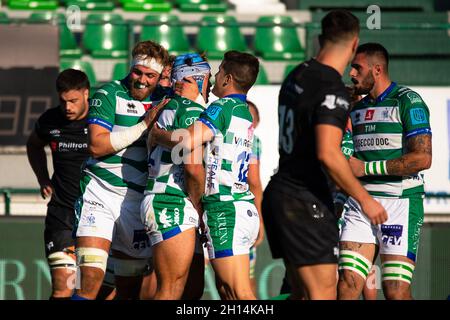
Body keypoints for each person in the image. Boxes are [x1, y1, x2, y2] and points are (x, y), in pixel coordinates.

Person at [261, 10, 387, 300]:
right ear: (355, 44)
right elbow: (329, 154)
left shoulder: (297, 74)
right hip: (306, 201)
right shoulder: (332, 88)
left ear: (320, 38)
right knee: (322, 294)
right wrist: (365, 199)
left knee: (301, 293)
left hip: (280, 194)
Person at [151, 50, 261, 300]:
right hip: (241, 206)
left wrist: (156, 135)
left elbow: (188, 140)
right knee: (228, 293)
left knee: (240, 293)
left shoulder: (220, 107)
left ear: (227, 79)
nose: (214, 77)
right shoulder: (242, 111)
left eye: (219, 71)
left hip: (226, 209)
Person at [72, 40, 169, 300]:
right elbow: (96, 145)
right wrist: (143, 127)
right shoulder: (108, 94)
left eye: (150, 75)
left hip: (136, 202)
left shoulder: (165, 101)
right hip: (99, 194)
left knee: (128, 291)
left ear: (160, 77)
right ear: (130, 67)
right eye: (138, 72)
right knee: (88, 278)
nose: (141, 80)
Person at [338, 42, 432, 300]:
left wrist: (366, 167)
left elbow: (423, 158)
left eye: (357, 68)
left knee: (395, 292)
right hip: (361, 203)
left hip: (400, 203)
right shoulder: (356, 108)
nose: (352, 73)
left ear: (377, 70)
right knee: (347, 285)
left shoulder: (407, 101)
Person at [140, 52, 211, 300]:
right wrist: (202, 208)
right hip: (172, 201)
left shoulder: (167, 105)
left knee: (190, 291)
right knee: (170, 290)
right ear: (198, 79)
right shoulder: (190, 109)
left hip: (169, 200)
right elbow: (192, 166)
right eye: (208, 78)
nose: (210, 85)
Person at [26, 69, 90, 300]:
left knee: (94, 290)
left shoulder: (101, 119)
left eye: (73, 101)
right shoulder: (49, 120)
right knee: (65, 288)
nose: (68, 108)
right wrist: (42, 178)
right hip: (62, 216)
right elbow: (33, 145)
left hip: (98, 217)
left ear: (86, 94)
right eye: (63, 102)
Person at [246, 100, 265, 297]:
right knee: (244, 281)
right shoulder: (252, 140)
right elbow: (254, 182)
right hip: (242, 211)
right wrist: (260, 219)